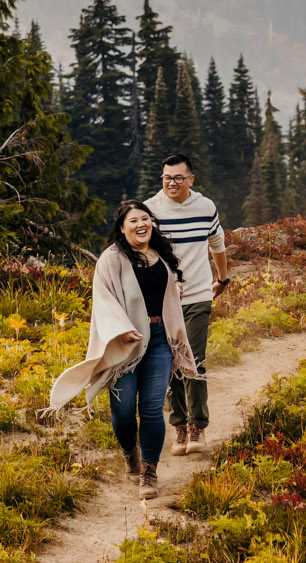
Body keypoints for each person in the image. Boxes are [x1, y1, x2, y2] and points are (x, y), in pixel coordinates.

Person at [47, 201, 202, 499]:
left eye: (146, 218)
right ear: (122, 227)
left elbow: (168, 290)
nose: (141, 224)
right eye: (134, 220)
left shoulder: (160, 255)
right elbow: (103, 298)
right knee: (123, 409)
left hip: (159, 340)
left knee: (153, 408)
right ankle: (130, 450)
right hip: (125, 343)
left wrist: (173, 288)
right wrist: (121, 327)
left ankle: (148, 471)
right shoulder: (112, 258)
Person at [145, 153, 229, 454]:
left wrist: (223, 278)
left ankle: (198, 427)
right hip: (164, 300)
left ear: (190, 179)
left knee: (194, 359)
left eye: (178, 178)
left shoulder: (205, 207)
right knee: (169, 363)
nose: (172, 183)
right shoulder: (151, 210)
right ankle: (179, 426)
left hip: (198, 296)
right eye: (167, 177)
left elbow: (217, 244)